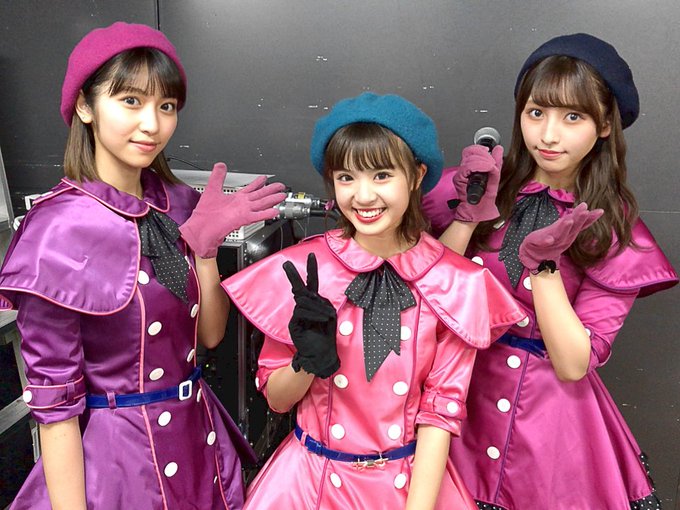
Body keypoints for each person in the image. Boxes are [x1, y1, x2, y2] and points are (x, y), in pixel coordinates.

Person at [0, 22, 286, 510]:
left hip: (198, 448)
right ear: (85, 106)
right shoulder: (57, 232)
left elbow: (210, 335)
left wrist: (205, 251)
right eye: (130, 101)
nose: (152, 124)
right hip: (118, 469)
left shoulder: (179, 203)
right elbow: (56, 408)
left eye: (166, 106)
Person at [222, 92, 525, 510]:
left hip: (409, 489)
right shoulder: (306, 270)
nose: (363, 197)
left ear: (417, 175)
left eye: (382, 175)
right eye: (346, 177)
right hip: (308, 485)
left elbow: (441, 413)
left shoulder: (455, 284)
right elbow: (277, 400)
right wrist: (305, 363)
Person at [422, 33, 678, 510]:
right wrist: (467, 217)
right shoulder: (479, 184)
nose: (548, 135)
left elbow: (573, 363)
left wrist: (545, 269)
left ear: (605, 125)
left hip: (546, 433)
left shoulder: (612, 226)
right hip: (453, 402)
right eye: (536, 112)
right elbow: (425, 296)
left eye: (572, 117)